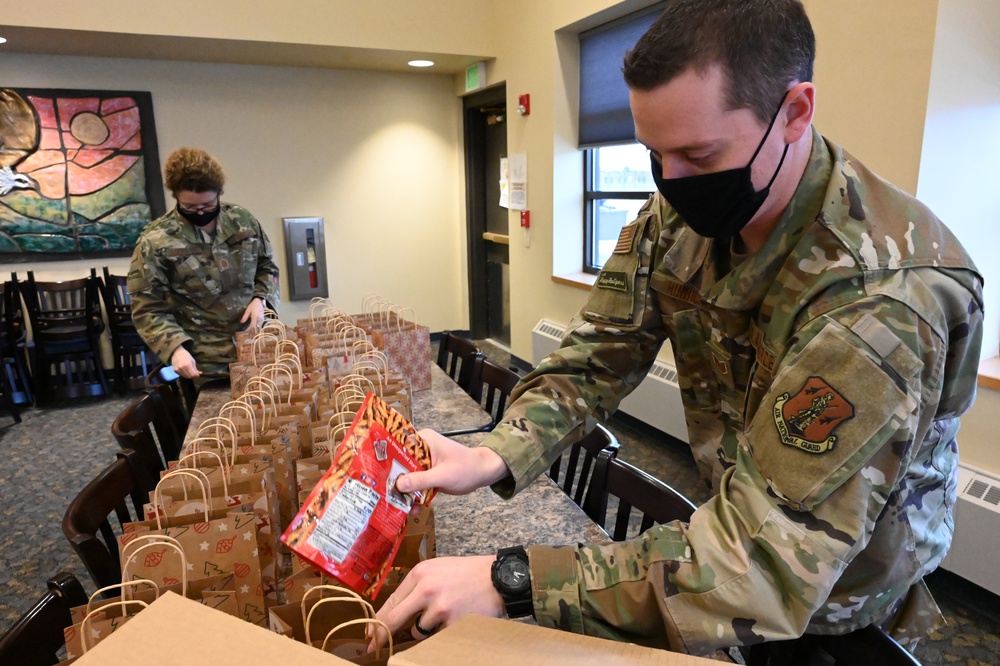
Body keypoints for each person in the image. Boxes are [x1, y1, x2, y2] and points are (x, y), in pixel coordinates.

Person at [373, 0, 985, 657]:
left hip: (838, 600)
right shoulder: (673, 220)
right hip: (732, 538)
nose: (673, 182)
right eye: (654, 154)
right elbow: (594, 360)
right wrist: (496, 449)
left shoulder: (881, 296)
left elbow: (756, 566)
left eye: (698, 153)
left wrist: (511, 579)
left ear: (796, 112)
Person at [127, 147, 280, 380]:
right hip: (205, 362)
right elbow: (147, 307)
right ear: (176, 196)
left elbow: (267, 267)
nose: (200, 213)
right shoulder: (156, 240)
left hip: (259, 347)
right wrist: (175, 348)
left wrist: (261, 299)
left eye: (208, 206)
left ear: (219, 193)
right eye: (190, 207)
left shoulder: (242, 221)